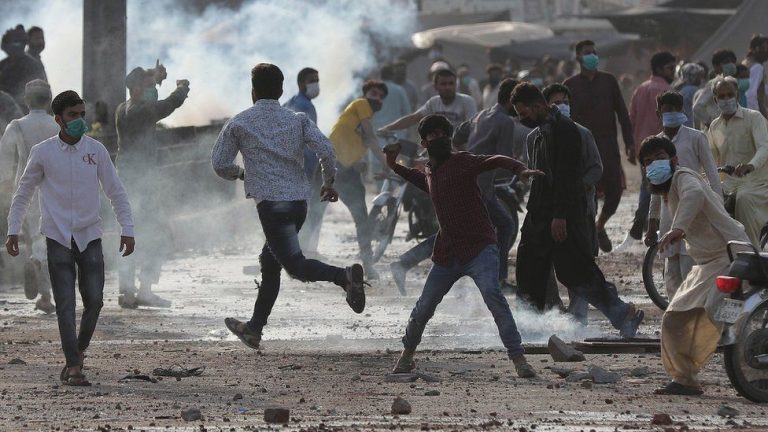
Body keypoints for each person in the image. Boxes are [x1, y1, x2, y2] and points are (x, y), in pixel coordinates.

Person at [212, 63, 368, 350]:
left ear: (253, 92)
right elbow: (326, 149)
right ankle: (254, 329)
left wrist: (243, 174)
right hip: (298, 203)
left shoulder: (239, 123)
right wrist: (328, 181)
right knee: (270, 261)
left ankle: (343, 277)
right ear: (282, 90)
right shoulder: (297, 119)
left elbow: (220, 164)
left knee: (295, 265)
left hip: (273, 207)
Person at [384, 114, 541, 378]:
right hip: (447, 253)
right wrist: (392, 163)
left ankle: (519, 359)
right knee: (424, 307)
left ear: (450, 137)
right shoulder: (430, 172)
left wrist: (519, 169)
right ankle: (406, 356)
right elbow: (416, 177)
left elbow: (494, 160)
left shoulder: (464, 161)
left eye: (443, 134)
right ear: (424, 141)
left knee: (494, 296)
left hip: (480, 247)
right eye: (433, 135)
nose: (439, 139)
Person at [5, 90, 135, 386]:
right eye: (73, 115)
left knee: (96, 301)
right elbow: (23, 193)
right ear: (59, 119)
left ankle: (77, 350)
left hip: (89, 235)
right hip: (57, 236)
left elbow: (115, 191)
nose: (79, 120)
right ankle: (74, 366)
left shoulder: (97, 151)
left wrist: (127, 228)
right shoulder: (43, 152)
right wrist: (13, 229)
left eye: (81, 114)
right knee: (65, 304)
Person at [512, 82, 643, 338]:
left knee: (575, 269)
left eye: (523, 112)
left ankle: (621, 312)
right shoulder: (538, 133)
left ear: (537, 106)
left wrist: (560, 216)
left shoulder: (566, 131)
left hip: (562, 214)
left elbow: (567, 176)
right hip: (539, 212)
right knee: (529, 267)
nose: (521, 118)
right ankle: (530, 323)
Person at [637, 136, 749, 396]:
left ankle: (753, 367)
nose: (654, 164)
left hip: (730, 255)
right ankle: (685, 380)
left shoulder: (684, 177)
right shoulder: (666, 189)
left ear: (674, 160)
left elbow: (694, 195)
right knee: (674, 317)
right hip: (705, 263)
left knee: (720, 312)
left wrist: (679, 228)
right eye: (648, 162)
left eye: (660, 158)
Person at [115, 62, 190, 309]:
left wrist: (155, 79)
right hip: (141, 182)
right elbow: (168, 105)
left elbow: (153, 102)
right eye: (146, 87)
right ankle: (145, 289)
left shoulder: (122, 109)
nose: (150, 90)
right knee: (155, 234)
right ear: (136, 89)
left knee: (128, 233)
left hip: (126, 179)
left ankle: (126, 291)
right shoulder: (141, 112)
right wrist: (181, 87)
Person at [452, 78, 527, 290]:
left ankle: (494, 278)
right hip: (481, 188)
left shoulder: (482, 114)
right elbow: (504, 160)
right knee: (497, 228)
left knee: (495, 227)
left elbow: (457, 137)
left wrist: (466, 158)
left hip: (475, 185)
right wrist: (521, 168)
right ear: (513, 101)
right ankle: (495, 279)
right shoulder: (505, 122)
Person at [644, 91, 721, 299]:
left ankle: (695, 319)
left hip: (693, 210)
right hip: (669, 214)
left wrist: (718, 209)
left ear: (682, 111)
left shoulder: (696, 137)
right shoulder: (655, 144)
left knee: (691, 271)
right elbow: (655, 187)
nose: (672, 113)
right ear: (658, 113)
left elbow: (713, 176)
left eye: (676, 109)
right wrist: (652, 222)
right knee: (672, 275)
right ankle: (676, 320)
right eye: (667, 109)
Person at [537, 83, 603, 322]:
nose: (561, 106)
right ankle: (554, 313)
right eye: (555, 102)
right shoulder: (538, 136)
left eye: (565, 101)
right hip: (549, 211)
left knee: (581, 261)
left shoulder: (582, 133)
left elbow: (596, 169)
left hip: (580, 209)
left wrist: (574, 190)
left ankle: (578, 317)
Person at [564, 40, 635, 253]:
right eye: (587, 53)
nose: (592, 56)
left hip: (608, 145)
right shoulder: (570, 84)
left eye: (594, 52)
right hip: (582, 147)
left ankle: (599, 225)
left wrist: (630, 143)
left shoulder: (609, 81)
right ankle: (588, 237)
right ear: (578, 58)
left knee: (614, 191)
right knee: (587, 191)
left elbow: (622, 113)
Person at [0, 80, 59, 313]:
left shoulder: (17, 125)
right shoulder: (58, 125)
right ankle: (45, 293)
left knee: (33, 234)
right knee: (49, 238)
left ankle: (42, 284)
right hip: (54, 188)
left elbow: (4, 153)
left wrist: (5, 181)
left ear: (26, 100)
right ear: (49, 99)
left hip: (25, 187)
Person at [328, 80, 390, 278]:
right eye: (373, 93)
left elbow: (358, 142)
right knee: (361, 219)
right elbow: (372, 139)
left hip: (339, 168)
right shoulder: (361, 104)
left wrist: (360, 162)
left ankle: (368, 263)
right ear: (365, 94)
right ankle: (369, 265)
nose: (377, 98)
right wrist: (387, 163)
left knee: (315, 208)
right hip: (335, 167)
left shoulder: (359, 122)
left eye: (381, 96)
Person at [620, 51, 676, 248]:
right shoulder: (666, 90)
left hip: (642, 147)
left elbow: (631, 119)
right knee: (654, 186)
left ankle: (646, 224)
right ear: (660, 69)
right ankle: (641, 224)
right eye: (670, 68)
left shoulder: (640, 89)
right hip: (660, 148)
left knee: (650, 184)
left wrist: (630, 146)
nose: (673, 71)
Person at [707, 76, 768, 247]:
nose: (726, 99)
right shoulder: (714, 126)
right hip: (727, 184)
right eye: (722, 96)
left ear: (737, 95)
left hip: (756, 183)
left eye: (730, 95)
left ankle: (751, 252)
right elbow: (711, 158)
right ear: (715, 99)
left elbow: (764, 147)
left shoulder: (753, 118)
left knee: (743, 199)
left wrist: (751, 165)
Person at [284, 67, 325, 256]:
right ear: (301, 83)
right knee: (311, 209)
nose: (316, 84)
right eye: (312, 80)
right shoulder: (306, 106)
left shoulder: (291, 102)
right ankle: (306, 251)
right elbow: (312, 140)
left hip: (291, 166)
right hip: (306, 167)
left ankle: (293, 249)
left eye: (317, 80)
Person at [381, 68, 477, 132]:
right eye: (443, 84)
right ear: (435, 87)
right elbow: (413, 118)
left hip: (460, 151)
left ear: (456, 85)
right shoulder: (433, 102)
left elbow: (472, 127)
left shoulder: (467, 101)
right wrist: (387, 128)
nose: (448, 87)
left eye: (451, 83)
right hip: (436, 149)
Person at [0, 25, 47, 110]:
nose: (40, 41)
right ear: (28, 41)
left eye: (42, 38)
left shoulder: (36, 61)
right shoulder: (26, 62)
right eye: (37, 38)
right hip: (22, 110)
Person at [693, 49, 738, 130]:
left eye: (733, 61)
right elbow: (697, 107)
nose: (731, 64)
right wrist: (711, 123)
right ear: (716, 66)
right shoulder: (715, 83)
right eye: (727, 62)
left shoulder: (734, 82)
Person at [672, 63, 705, 128]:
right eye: (699, 76)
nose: (701, 79)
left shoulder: (681, 89)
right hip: (692, 125)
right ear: (693, 77)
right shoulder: (692, 90)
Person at [743, 34, 768, 114]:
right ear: (755, 49)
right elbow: (751, 95)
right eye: (764, 48)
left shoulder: (745, 63)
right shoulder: (757, 67)